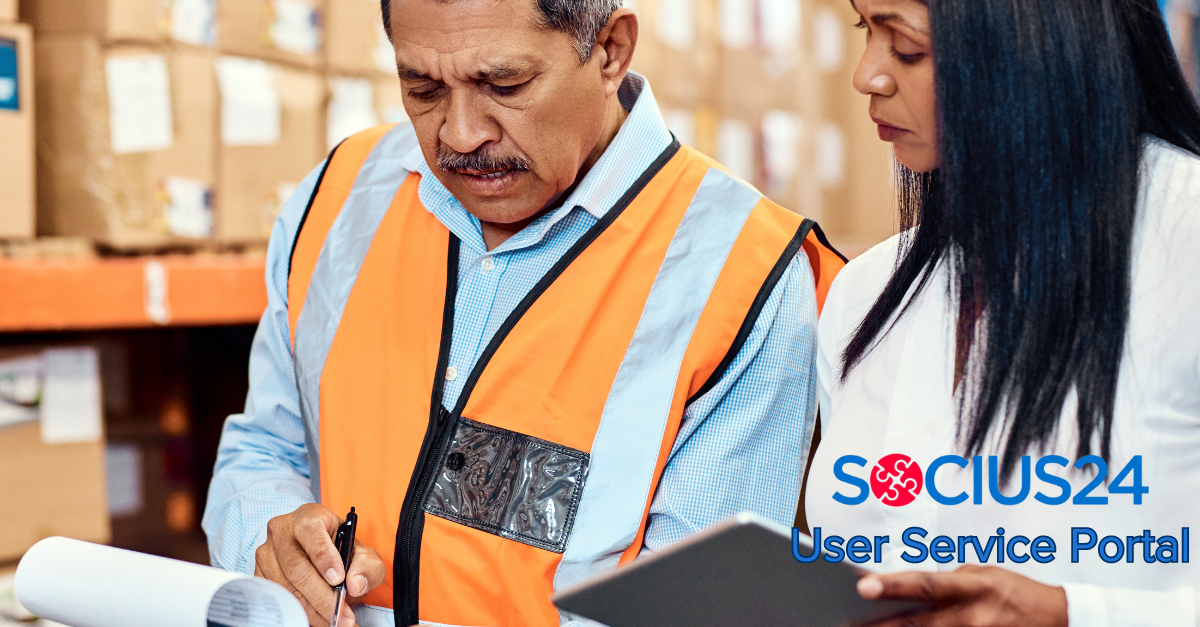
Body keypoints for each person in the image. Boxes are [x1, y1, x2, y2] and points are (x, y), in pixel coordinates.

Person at [201, 0, 846, 625]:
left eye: (503, 84)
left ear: (610, 50)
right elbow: (266, 448)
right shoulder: (339, 199)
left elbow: (695, 606)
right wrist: (275, 549)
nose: (460, 134)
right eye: (421, 87)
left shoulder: (742, 271)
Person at [803, 0, 1200, 625]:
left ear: (1033, 44)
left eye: (907, 47)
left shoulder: (1186, 241)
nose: (867, 76)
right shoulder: (866, 296)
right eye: (865, 30)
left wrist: (1072, 613)